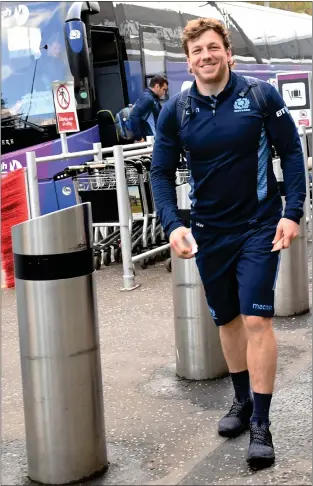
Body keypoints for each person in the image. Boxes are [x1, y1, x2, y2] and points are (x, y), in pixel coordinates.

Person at [151, 18, 306, 470]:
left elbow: (291, 152)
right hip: (208, 233)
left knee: (257, 319)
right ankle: (240, 401)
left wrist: (291, 211)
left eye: (213, 48)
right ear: (188, 60)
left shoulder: (260, 96)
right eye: (197, 51)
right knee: (228, 319)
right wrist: (172, 223)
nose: (206, 56)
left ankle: (261, 421)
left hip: (258, 226)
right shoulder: (176, 111)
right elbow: (160, 173)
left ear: (228, 52)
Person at [130, 74, 168, 142]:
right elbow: (134, 115)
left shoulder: (152, 98)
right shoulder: (148, 98)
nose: (164, 93)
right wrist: (139, 138)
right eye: (163, 89)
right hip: (148, 141)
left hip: (152, 140)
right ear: (157, 86)